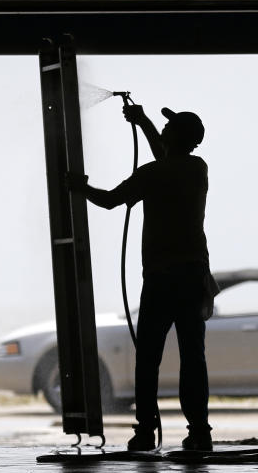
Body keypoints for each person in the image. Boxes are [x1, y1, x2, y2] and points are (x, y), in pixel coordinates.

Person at [67, 104, 216, 452]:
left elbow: (108, 201)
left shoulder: (153, 173)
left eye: (168, 129)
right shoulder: (197, 168)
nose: (162, 134)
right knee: (194, 357)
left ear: (175, 136)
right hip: (194, 276)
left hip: (162, 280)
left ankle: (145, 432)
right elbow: (166, 157)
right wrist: (146, 122)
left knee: (148, 358)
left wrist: (79, 187)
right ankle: (199, 433)